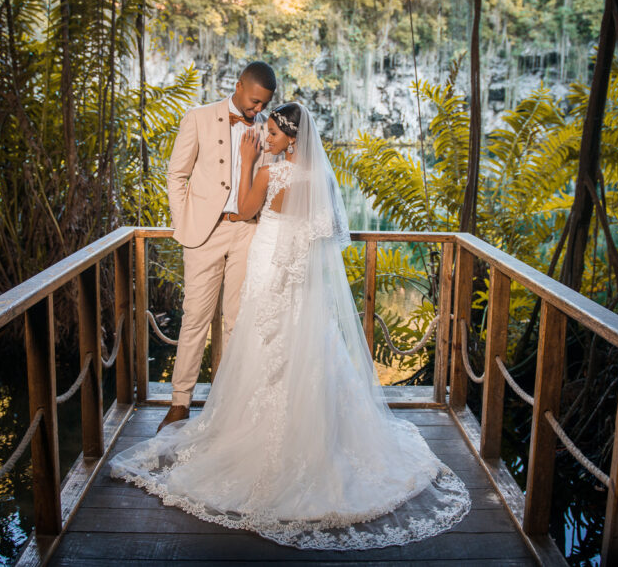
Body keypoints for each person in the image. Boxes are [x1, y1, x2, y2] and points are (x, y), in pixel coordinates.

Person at [110, 102, 471, 550]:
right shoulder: (319, 179)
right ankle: (313, 435)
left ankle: (257, 441)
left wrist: (245, 162)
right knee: (306, 349)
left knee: (263, 345)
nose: (267, 138)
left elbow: (243, 211)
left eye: (275, 135)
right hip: (300, 281)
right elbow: (325, 233)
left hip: (268, 267)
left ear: (292, 139)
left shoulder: (271, 173)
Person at [159, 62, 277, 433]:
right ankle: (180, 403)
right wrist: (184, 224)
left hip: (247, 232)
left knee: (237, 322)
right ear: (239, 85)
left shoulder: (265, 130)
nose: (258, 111)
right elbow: (176, 174)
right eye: (255, 102)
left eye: (264, 105)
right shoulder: (198, 117)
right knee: (194, 318)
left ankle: (227, 407)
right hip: (203, 235)